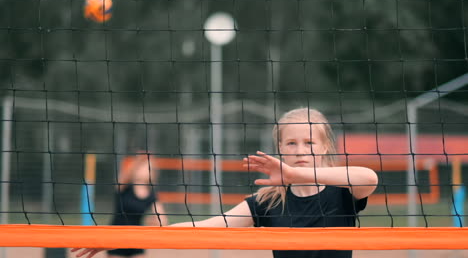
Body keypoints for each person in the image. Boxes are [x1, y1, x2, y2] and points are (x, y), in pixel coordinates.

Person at [72, 108, 378, 258]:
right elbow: (203, 227)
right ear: (280, 148)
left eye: (310, 142)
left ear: (325, 147)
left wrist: (299, 175)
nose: (300, 150)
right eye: (291, 143)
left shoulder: (343, 192)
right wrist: (121, 239)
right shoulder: (268, 201)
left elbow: (369, 178)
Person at [107, 152, 168, 258]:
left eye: (147, 166)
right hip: (116, 236)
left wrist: (152, 222)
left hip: (136, 238)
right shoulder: (124, 187)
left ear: (152, 172)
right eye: (143, 165)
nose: (144, 168)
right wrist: (138, 160)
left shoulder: (151, 195)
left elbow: (162, 220)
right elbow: (123, 177)